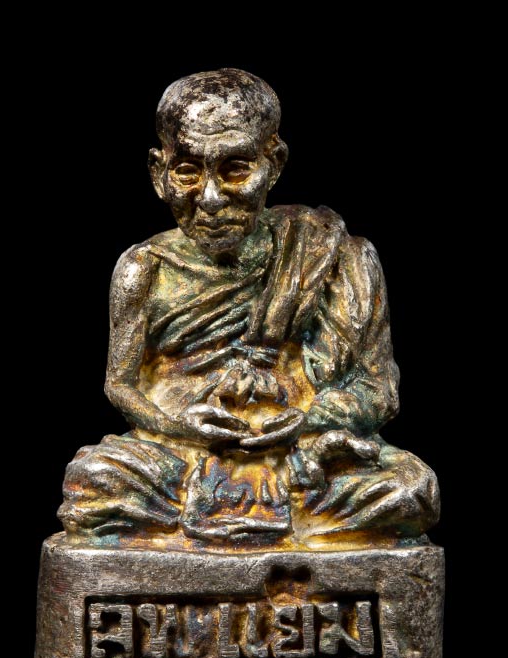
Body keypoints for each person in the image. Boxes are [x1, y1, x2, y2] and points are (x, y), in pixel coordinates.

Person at [58, 69, 439, 546]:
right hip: (181, 458)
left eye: (235, 169)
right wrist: (182, 428)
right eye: (187, 172)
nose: (211, 198)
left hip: (304, 455)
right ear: (158, 173)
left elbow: (377, 391)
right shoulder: (143, 269)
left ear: (273, 164)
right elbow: (120, 384)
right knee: (91, 481)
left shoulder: (332, 256)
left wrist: (307, 420)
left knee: (411, 491)